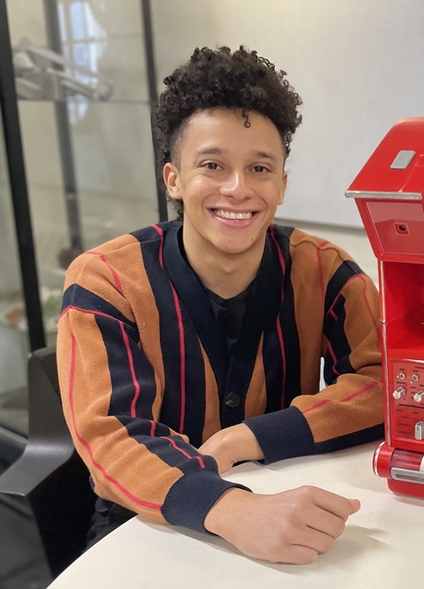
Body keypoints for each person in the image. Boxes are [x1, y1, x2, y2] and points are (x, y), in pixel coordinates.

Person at [58, 46, 384, 564]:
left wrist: (248, 438)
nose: (238, 189)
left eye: (260, 168)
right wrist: (229, 510)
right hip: (143, 522)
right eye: (212, 164)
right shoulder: (106, 279)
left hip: (281, 497)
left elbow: (386, 383)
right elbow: (109, 433)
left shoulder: (325, 271)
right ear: (174, 179)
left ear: (281, 184)